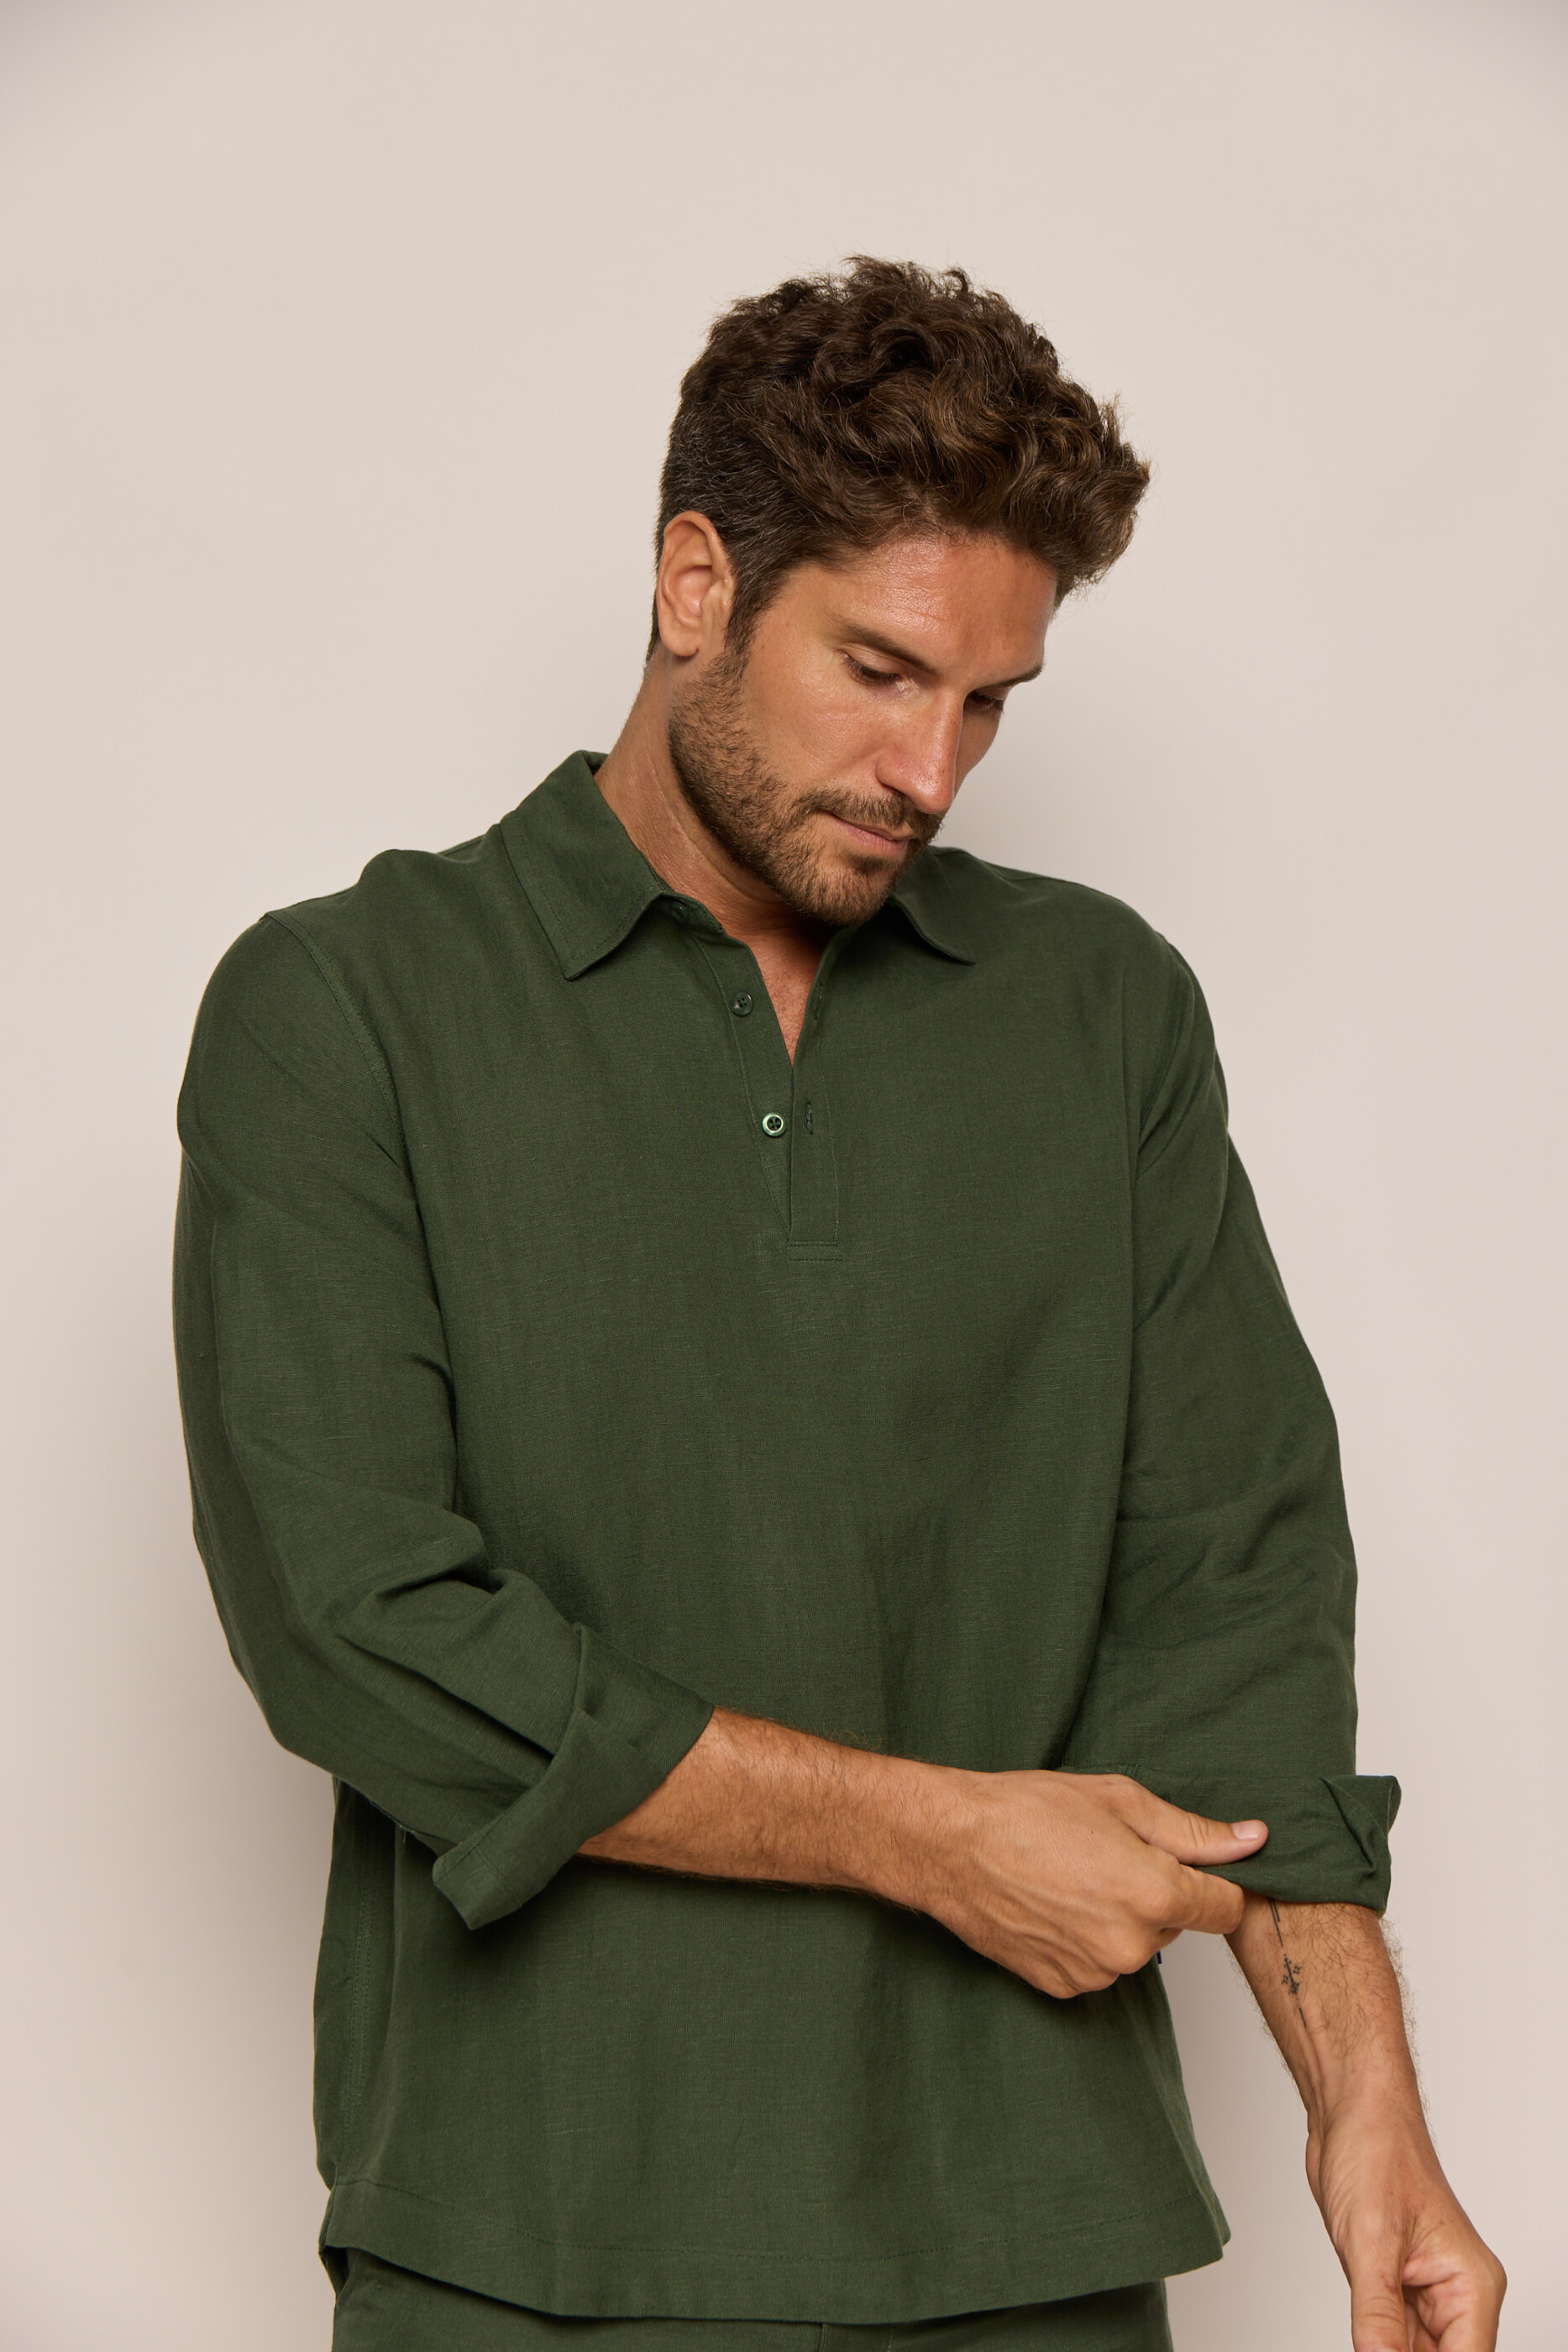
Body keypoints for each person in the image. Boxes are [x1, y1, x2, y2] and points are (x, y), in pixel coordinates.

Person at [172, 259, 1504, 2352]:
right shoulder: (347, 1009)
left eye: (987, 702)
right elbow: (364, 1629)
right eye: (879, 670)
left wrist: (1367, 2113)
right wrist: (937, 1835)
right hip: (527, 2247)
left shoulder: (1099, 1012)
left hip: (1034, 2249)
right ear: (695, 584)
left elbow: (1234, 1600)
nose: (930, 769)